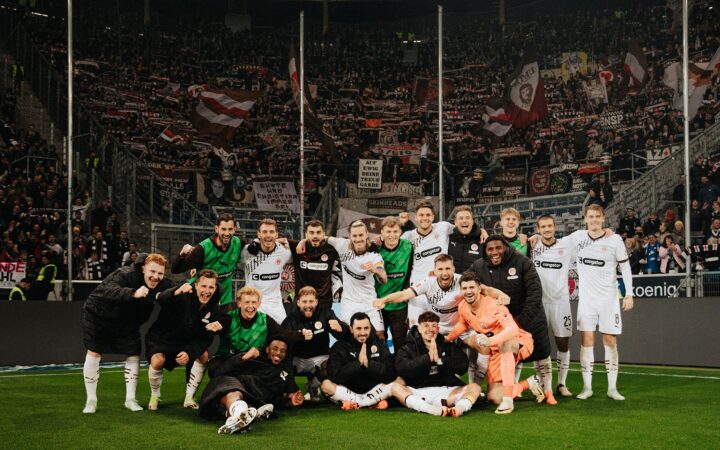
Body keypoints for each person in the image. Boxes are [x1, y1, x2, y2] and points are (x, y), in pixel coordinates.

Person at [81, 253, 174, 414]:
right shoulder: (125, 274)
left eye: (160, 273)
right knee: (94, 352)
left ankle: (130, 399)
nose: (155, 277)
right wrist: (133, 293)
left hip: (128, 321)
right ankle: (91, 400)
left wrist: (187, 287)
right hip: (99, 315)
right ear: (143, 268)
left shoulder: (161, 283)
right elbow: (106, 290)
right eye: (152, 272)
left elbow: (175, 290)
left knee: (133, 354)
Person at [468, 234, 555, 404]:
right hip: (501, 326)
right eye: (490, 249)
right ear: (485, 251)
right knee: (507, 354)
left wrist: (517, 322)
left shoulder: (523, 262)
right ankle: (515, 387)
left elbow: (535, 293)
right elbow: (465, 281)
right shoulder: (479, 266)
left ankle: (549, 390)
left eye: (498, 248)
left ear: (506, 247)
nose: (494, 252)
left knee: (542, 355)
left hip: (530, 320)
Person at [446, 273, 545, 414]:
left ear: (479, 288)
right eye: (465, 288)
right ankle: (529, 383)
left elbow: (512, 329)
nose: (468, 291)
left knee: (504, 343)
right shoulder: (463, 306)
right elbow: (462, 324)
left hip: (518, 342)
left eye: (472, 287)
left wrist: (490, 341)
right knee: (493, 398)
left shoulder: (494, 305)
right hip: (495, 350)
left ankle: (508, 401)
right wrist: (446, 338)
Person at [570, 204, 634, 401]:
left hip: (609, 299)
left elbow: (625, 268)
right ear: (585, 218)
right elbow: (553, 241)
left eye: (598, 216)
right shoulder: (578, 237)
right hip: (587, 301)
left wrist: (629, 293)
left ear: (603, 218)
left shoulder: (614, 240)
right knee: (586, 341)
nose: (594, 219)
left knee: (610, 341)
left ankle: (612, 388)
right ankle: (587, 388)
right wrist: (534, 237)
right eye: (591, 216)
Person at [145, 270, 225, 411]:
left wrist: (189, 352)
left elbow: (205, 338)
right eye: (203, 286)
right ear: (196, 286)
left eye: (211, 287)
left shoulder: (215, 307)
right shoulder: (183, 294)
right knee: (158, 360)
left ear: (216, 288)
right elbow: (161, 299)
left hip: (186, 341)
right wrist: (175, 291)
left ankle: (189, 397)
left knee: (204, 355)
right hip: (163, 338)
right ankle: (155, 395)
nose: (207, 291)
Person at [400, 201, 486, 327]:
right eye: (421, 215)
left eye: (428, 215)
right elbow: (391, 243)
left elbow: (463, 227)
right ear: (416, 217)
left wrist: (482, 231)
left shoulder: (443, 227)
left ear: (433, 217)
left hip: (441, 286)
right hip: (418, 287)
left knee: (441, 327)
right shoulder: (408, 236)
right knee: (416, 328)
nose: (425, 218)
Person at [198, 336, 304, 435]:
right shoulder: (253, 358)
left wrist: (291, 401)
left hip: (254, 400)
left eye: (283, 351)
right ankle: (240, 414)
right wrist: (243, 358)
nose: (278, 353)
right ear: (267, 349)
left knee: (238, 396)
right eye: (275, 349)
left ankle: (235, 418)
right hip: (233, 386)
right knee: (233, 389)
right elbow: (218, 373)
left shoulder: (285, 374)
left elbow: (279, 399)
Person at [301, 221, 387, 337]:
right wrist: (302, 241)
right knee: (349, 334)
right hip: (349, 302)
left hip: (370, 301)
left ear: (367, 234)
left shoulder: (374, 255)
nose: (358, 239)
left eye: (361, 235)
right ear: (350, 236)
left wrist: (376, 270)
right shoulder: (341, 244)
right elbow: (319, 237)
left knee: (380, 335)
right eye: (355, 236)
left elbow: (384, 278)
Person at [392, 311, 482, 417]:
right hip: (417, 391)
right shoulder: (407, 348)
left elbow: (463, 366)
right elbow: (402, 369)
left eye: (434, 326)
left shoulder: (447, 345)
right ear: (419, 329)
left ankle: (459, 408)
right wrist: (427, 358)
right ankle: (431, 410)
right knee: (395, 387)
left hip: (445, 392)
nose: (430, 329)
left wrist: (440, 361)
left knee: (475, 387)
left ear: (438, 329)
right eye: (426, 325)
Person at [209, 286, 304, 375]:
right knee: (214, 367)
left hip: (253, 360)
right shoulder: (229, 317)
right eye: (247, 302)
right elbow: (212, 329)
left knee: (273, 369)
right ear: (239, 303)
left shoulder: (265, 320)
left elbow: (283, 333)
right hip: (229, 358)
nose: (251, 306)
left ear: (259, 304)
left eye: (254, 302)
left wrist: (301, 335)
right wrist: (210, 328)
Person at [529, 215, 576, 397]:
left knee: (562, 342)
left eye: (549, 226)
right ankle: (541, 382)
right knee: (539, 343)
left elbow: (587, 236)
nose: (547, 229)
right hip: (539, 302)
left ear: (555, 227)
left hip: (560, 302)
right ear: (538, 229)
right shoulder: (533, 246)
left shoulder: (566, 245)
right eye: (543, 227)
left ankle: (561, 384)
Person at [281, 286, 347, 401]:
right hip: (297, 359)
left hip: (319, 357)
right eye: (304, 302)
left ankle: (314, 385)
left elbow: (342, 335)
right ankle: (288, 390)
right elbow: (283, 341)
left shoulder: (326, 314)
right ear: (298, 302)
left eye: (311, 301)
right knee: (280, 359)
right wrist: (299, 336)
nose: (308, 305)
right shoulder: (290, 319)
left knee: (333, 362)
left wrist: (341, 329)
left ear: (316, 302)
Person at [321, 312, 396, 410]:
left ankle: (355, 403)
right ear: (351, 329)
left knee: (398, 382)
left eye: (366, 328)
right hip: (349, 392)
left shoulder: (380, 344)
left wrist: (369, 364)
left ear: (370, 327)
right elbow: (334, 376)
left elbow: (390, 374)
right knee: (326, 385)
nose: (363, 332)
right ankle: (370, 403)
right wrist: (357, 365)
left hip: (375, 390)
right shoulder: (340, 346)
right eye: (358, 328)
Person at [172, 212, 242, 306]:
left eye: (230, 229)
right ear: (216, 229)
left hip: (223, 302)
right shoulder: (203, 249)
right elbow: (175, 269)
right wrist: (182, 254)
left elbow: (253, 247)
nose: (226, 233)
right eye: (223, 229)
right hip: (200, 301)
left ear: (234, 229)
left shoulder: (238, 243)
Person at [243, 218, 293, 323]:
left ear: (276, 234)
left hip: (275, 304)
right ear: (259, 234)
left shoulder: (284, 252)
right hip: (252, 303)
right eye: (264, 232)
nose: (268, 235)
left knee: (284, 335)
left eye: (271, 232)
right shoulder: (246, 252)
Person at [375, 216, 413, 350]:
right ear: (382, 233)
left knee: (400, 343)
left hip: (399, 304)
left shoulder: (408, 246)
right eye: (388, 231)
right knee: (380, 343)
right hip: (379, 305)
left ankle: (400, 370)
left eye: (395, 231)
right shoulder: (375, 250)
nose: (392, 235)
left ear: (400, 232)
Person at [287, 220, 339, 309]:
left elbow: (350, 244)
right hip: (302, 301)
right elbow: (274, 240)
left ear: (323, 234)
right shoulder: (297, 247)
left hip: (324, 302)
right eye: (311, 233)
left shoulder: (331, 250)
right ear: (306, 234)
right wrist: (303, 241)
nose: (315, 236)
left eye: (318, 233)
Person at [448, 205, 485, 273]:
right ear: (455, 222)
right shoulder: (448, 239)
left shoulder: (482, 240)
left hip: (473, 283)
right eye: (461, 218)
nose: (464, 221)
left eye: (467, 218)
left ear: (473, 221)